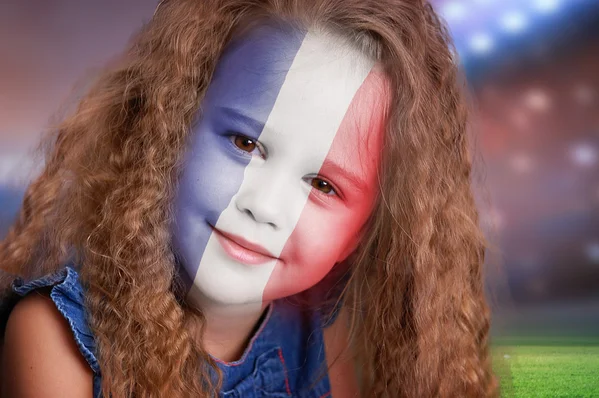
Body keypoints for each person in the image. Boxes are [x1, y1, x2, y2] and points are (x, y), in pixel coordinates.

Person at [0, 0, 498, 396]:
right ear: (170, 129)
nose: (262, 204)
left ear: (360, 234)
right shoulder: (54, 336)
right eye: (246, 143)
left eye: (323, 185)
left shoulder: (316, 330)